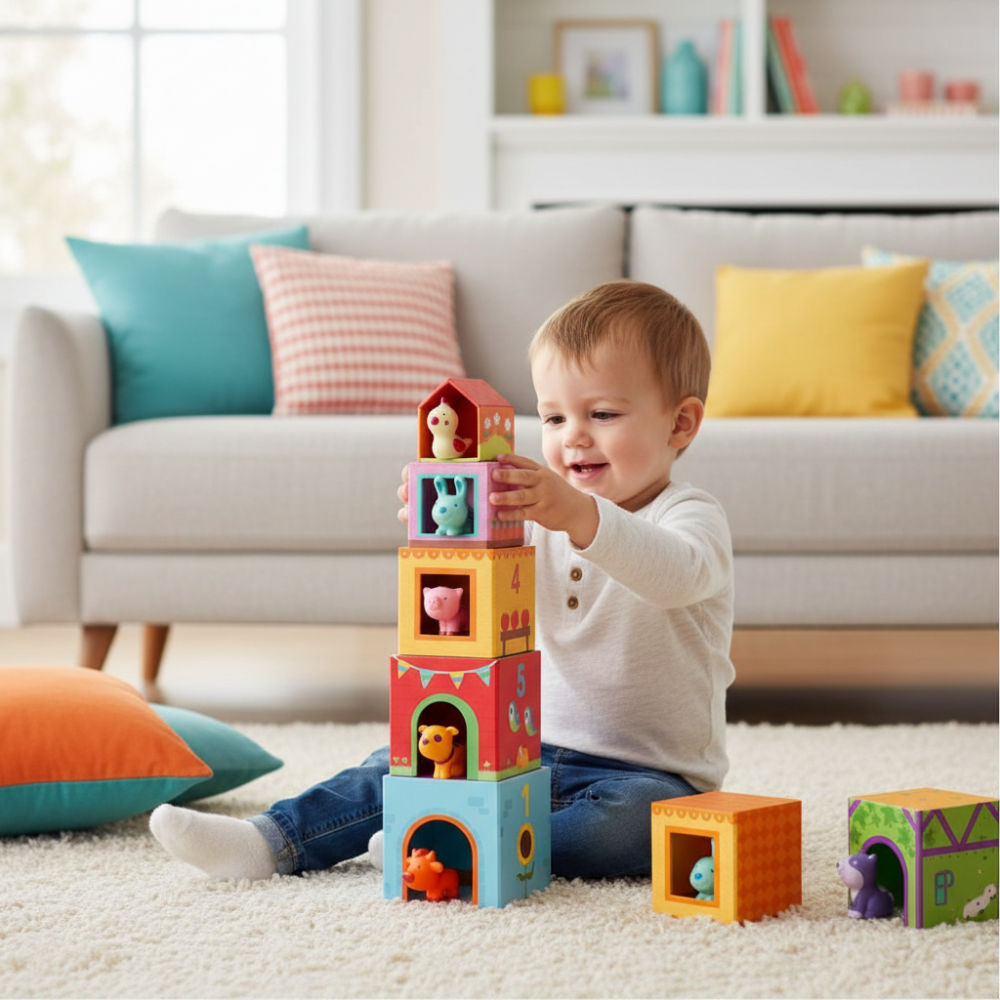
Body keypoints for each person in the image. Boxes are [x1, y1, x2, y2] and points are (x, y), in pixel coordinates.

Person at [149, 279, 735, 882]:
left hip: (647, 775)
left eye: (603, 414)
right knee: (399, 764)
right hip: (522, 746)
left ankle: (454, 849)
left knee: (631, 829)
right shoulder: (537, 516)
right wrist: (449, 511)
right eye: (554, 416)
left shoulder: (689, 516)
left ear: (680, 424)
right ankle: (270, 841)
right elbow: (471, 582)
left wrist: (578, 516)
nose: (572, 437)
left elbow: (677, 574)